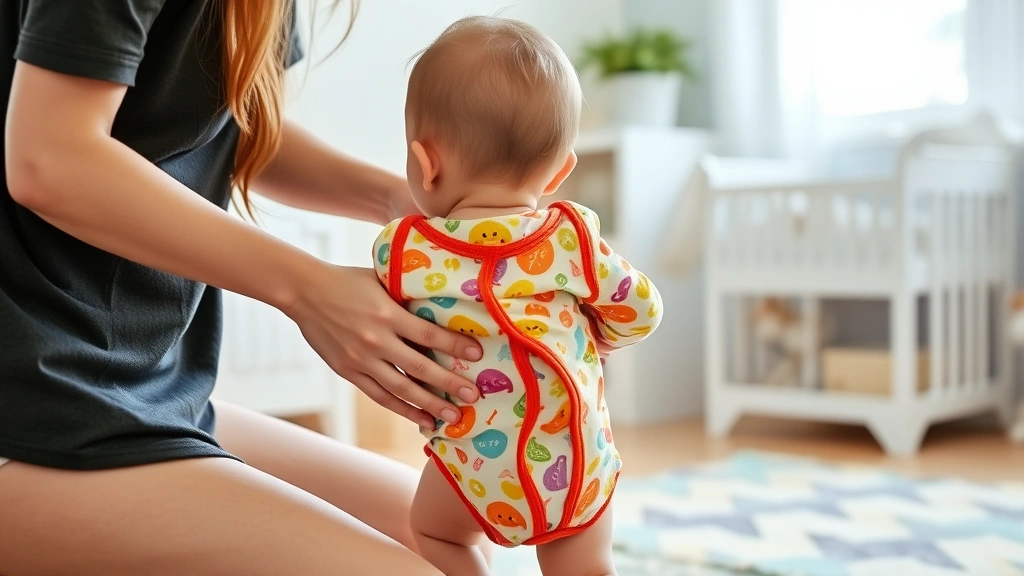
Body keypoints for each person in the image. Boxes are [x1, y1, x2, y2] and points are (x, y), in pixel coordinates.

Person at [0, 1, 485, 574]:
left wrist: (400, 204)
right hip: (31, 396)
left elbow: (244, 128)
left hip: (139, 386)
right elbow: (48, 158)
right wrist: (307, 289)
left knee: (448, 541)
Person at [372, 17, 664, 576]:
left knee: (436, 534)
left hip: (473, 466)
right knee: (586, 566)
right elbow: (643, 310)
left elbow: (394, 333)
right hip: (574, 460)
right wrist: (597, 337)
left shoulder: (404, 250)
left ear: (425, 163)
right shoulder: (570, 238)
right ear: (558, 173)